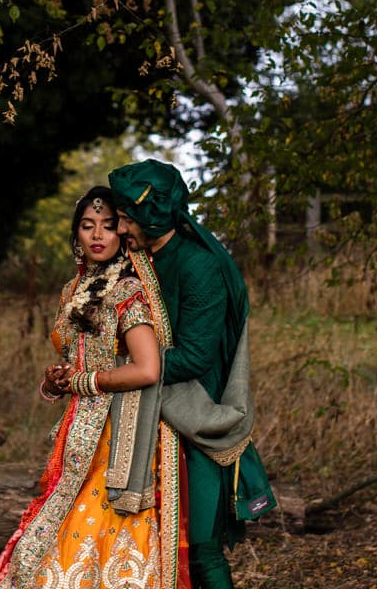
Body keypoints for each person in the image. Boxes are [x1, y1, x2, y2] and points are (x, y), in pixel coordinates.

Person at [0, 186, 188, 589]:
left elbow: (148, 369)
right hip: (77, 433)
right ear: (76, 235)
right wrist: (56, 381)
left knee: (94, 537)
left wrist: (83, 381)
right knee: (54, 536)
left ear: (123, 234)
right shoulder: (71, 291)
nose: (97, 235)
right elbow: (78, 359)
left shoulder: (128, 293)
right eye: (87, 226)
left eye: (108, 226)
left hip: (118, 438)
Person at [108, 159, 271, 589]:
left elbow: (196, 356)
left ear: (151, 214)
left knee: (200, 549)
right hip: (150, 414)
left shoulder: (198, 265)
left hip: (196, 415)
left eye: (125, 218)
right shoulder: (137, 261)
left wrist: (119, 371)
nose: (120, 229)